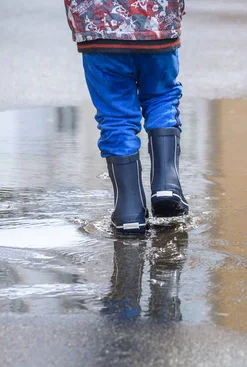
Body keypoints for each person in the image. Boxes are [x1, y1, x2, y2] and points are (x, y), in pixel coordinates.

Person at [64, 0, 189, 234]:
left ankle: (128, 211)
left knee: (115, 117)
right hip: (157, 20)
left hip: (98, 25)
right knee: (161, 97)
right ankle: (166, 186)